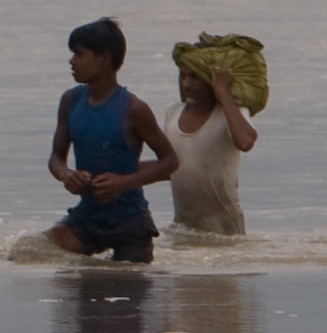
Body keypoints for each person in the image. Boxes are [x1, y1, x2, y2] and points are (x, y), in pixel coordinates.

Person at [41, 17, 175, 261]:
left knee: (127, 283)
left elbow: (170, 161)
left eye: (79, 54)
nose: (72, 62)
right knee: (29, 250)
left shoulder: (134, 109)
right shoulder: (70, 101)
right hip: (86, 218)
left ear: (104, 58)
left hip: (130, 222)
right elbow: (55, 158)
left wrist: (124, 183)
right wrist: (67, 175)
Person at [167, 38, 263, 237]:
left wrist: (224, 93)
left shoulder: (230, 113)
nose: (186, 84)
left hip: (225, 228)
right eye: (182, 76)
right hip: (183, 225)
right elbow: (173, 166)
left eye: (194, 77)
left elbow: (245, 141)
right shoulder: (172, 113)